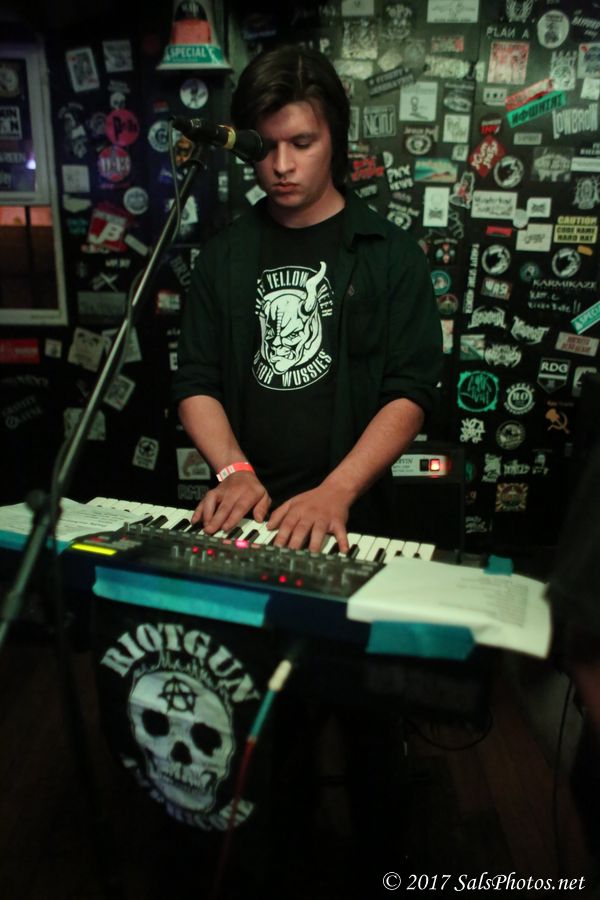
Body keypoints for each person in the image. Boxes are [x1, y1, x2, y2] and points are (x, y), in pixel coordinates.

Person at [172, 44, 442, 550]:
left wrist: (337, 490)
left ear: (334, 139)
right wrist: (233, 470)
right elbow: (195, 379)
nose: (281, 165)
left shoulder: (391, 255)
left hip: (353, 520)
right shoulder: (222, 256)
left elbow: (410, 392)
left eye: (301, 143)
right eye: (266, 146)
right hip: (243, 517)